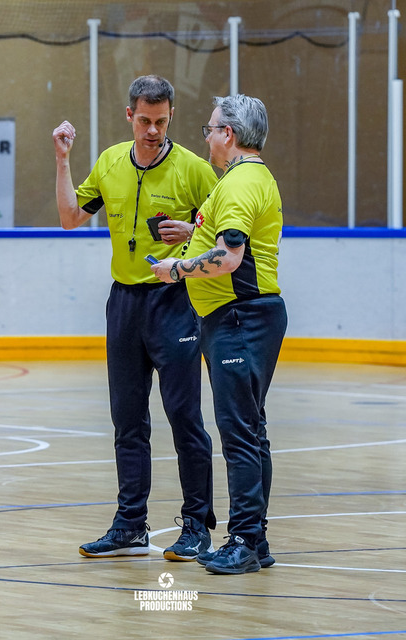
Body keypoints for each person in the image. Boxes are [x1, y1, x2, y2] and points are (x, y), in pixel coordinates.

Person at [52, 75, 217, 561]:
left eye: (161, 122)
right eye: (144, 120)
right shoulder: (109, 162)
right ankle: (129, 526)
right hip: (124, 305)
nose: (152, 131)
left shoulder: (193, 170)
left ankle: (197, 526)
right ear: (129, 115)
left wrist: (193, 231)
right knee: (127, 420)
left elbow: (229, 230)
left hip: (175, 302)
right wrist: (62, 159)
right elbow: (70, 217)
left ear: (171, 117)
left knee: (185, 417)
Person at [151, 95, 287, 575]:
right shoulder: (247, 179)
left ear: (228, 134)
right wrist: (192, 237)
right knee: (250, 428)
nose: (206, 138)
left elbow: (229, 259)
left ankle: (245, 540)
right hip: (243, 317)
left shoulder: (239, 183)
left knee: (240, 432)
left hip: (240, 318)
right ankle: (256, 539)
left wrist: (176, 269)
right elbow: (228, 244)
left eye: (210, 129)